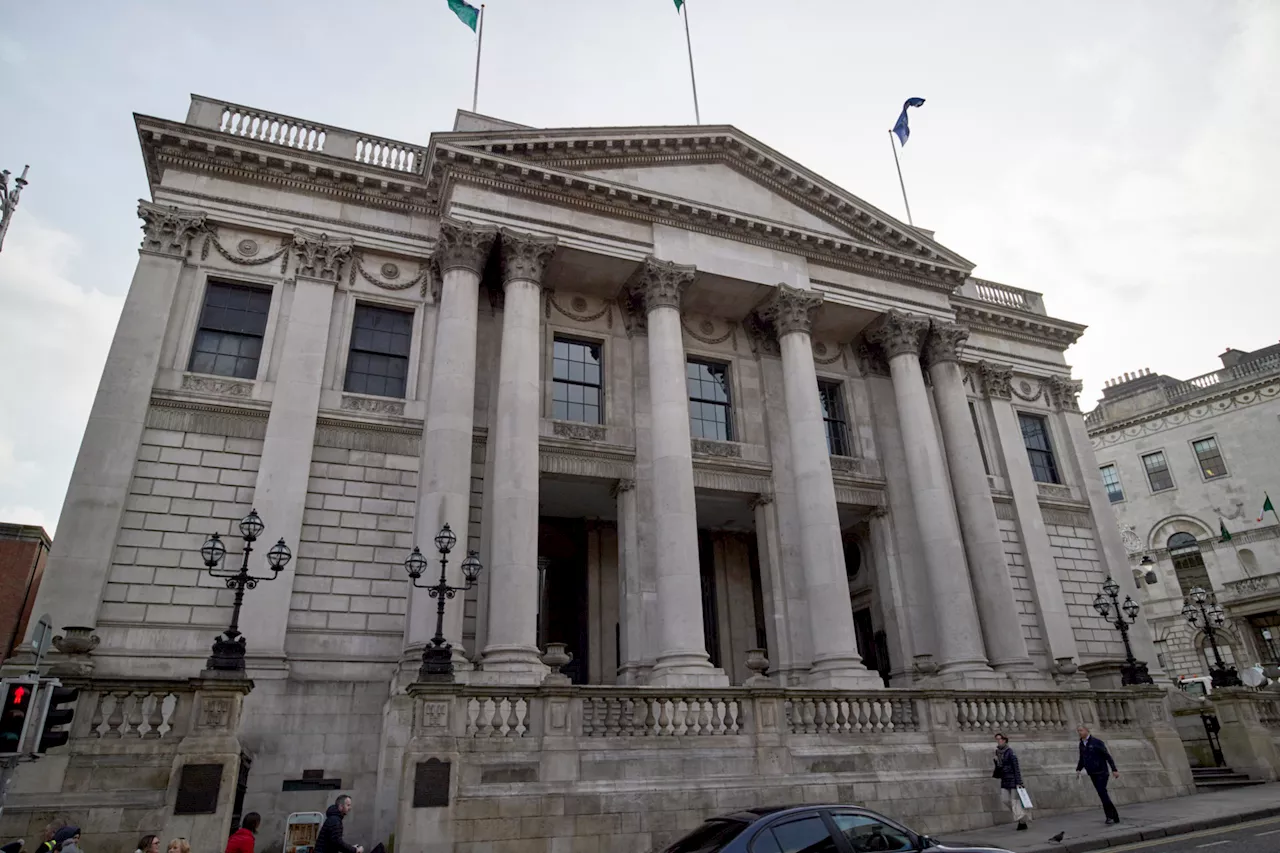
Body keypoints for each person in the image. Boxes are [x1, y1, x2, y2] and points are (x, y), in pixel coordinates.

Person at [1076, 725, 1120, 824]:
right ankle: (1114, 816)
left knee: (1102, 792)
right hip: (1092, 772)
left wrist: (1114, 769)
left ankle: (1110, 816)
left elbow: (1107, 756)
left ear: (1087, 730)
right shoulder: (1082, 744)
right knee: (1102, 794)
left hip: (1102, 772)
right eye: (1078, 731)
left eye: (1081, 730)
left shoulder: (1097, 742)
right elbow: (1082, 758)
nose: (1079, 732)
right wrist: (1078, 769)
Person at [993, 733, 1030, 831]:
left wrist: (1019, 781)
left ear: (1005, 740)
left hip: (1013, 779)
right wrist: (996, 762)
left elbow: (1016, 767)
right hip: (1004, 779)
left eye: (1000, 739)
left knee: (1015, 802)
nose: (998, 741)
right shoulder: (997, 752)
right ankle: (1022, 817)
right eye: (997, 739)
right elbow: (998, 768)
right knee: (1005, 800)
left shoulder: (1010, 752)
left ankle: (1022, 822)